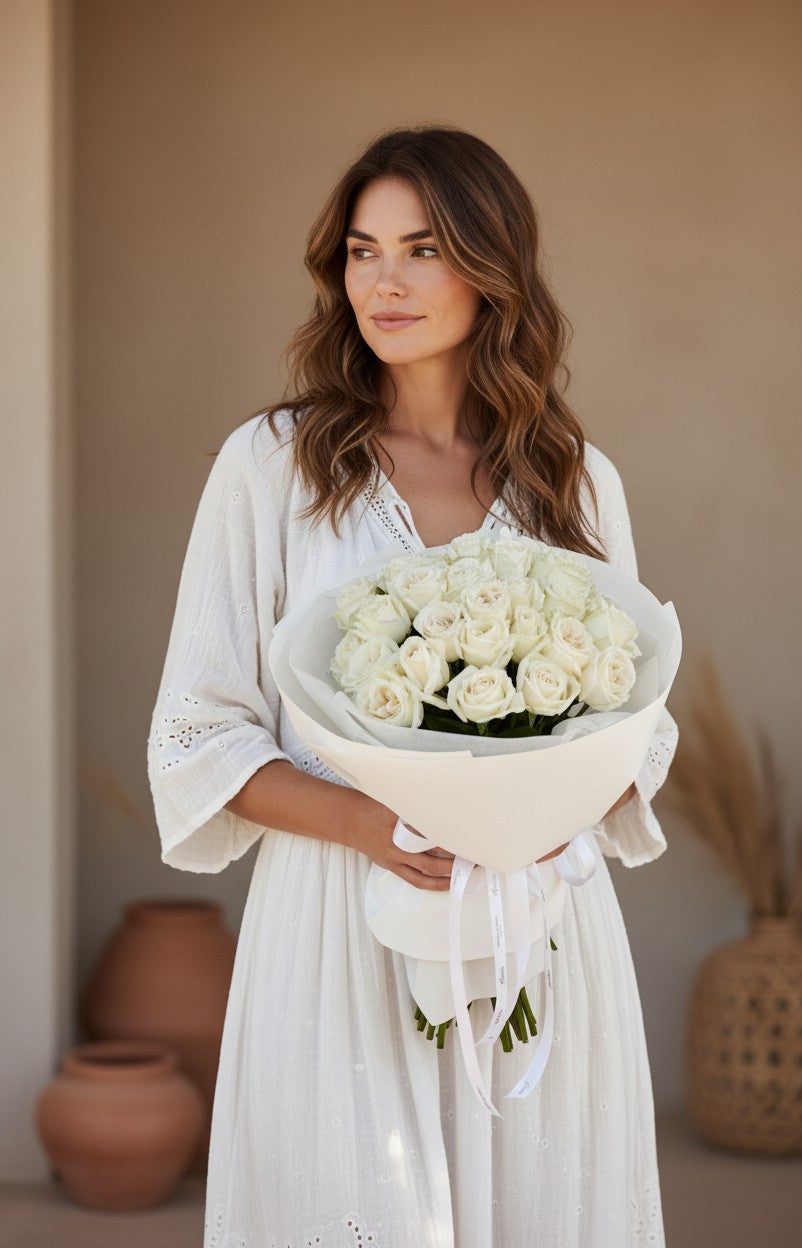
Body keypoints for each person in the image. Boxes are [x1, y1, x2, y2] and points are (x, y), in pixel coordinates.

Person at [148, 124, 678, 1248]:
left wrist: (537, 818)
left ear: (491, 270)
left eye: (422, 249)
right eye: (359, 249)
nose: (382, 281)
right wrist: (371, 824)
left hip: (537, 924)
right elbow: (200, 728)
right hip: (337, 920)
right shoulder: (273, 466)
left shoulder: (573, 482)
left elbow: (638, 726)